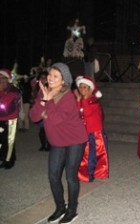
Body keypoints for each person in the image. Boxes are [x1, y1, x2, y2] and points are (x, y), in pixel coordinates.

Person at [30, 63, 88, 223]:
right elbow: (35, 117)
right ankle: (60, 207)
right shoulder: (44, 93)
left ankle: (72, 210)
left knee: (70, 176)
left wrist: (47, 104)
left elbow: (55, 119)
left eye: (56, 76)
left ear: (63, 80)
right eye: (50, 74)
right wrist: (43, 100)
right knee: (53, 176)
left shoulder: (68, 97)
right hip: (57, 141)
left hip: (75, 140)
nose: (50, 78)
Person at [75, 75, 109, 182]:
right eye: (80, 87)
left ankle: (89, 174)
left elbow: (86, 113)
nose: (82, 89)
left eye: (85, 87)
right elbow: (76, 113)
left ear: (90, 89)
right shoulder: (81, 100)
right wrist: (78, 101)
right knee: (84, 154)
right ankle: (85, 173)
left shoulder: (93, 100)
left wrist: (81, 100)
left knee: (91, 155)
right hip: (84, 131)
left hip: (94, 132)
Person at [0, 69, 22, 169]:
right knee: (2, 140)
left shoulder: (14, 91)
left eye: (4, 78)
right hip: (1, 119)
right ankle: (3, 158)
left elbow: (6, 107)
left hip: (10, 119)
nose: (1, 80)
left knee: (9, 141)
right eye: (0, 78)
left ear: (8, 79)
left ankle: (9, 161)